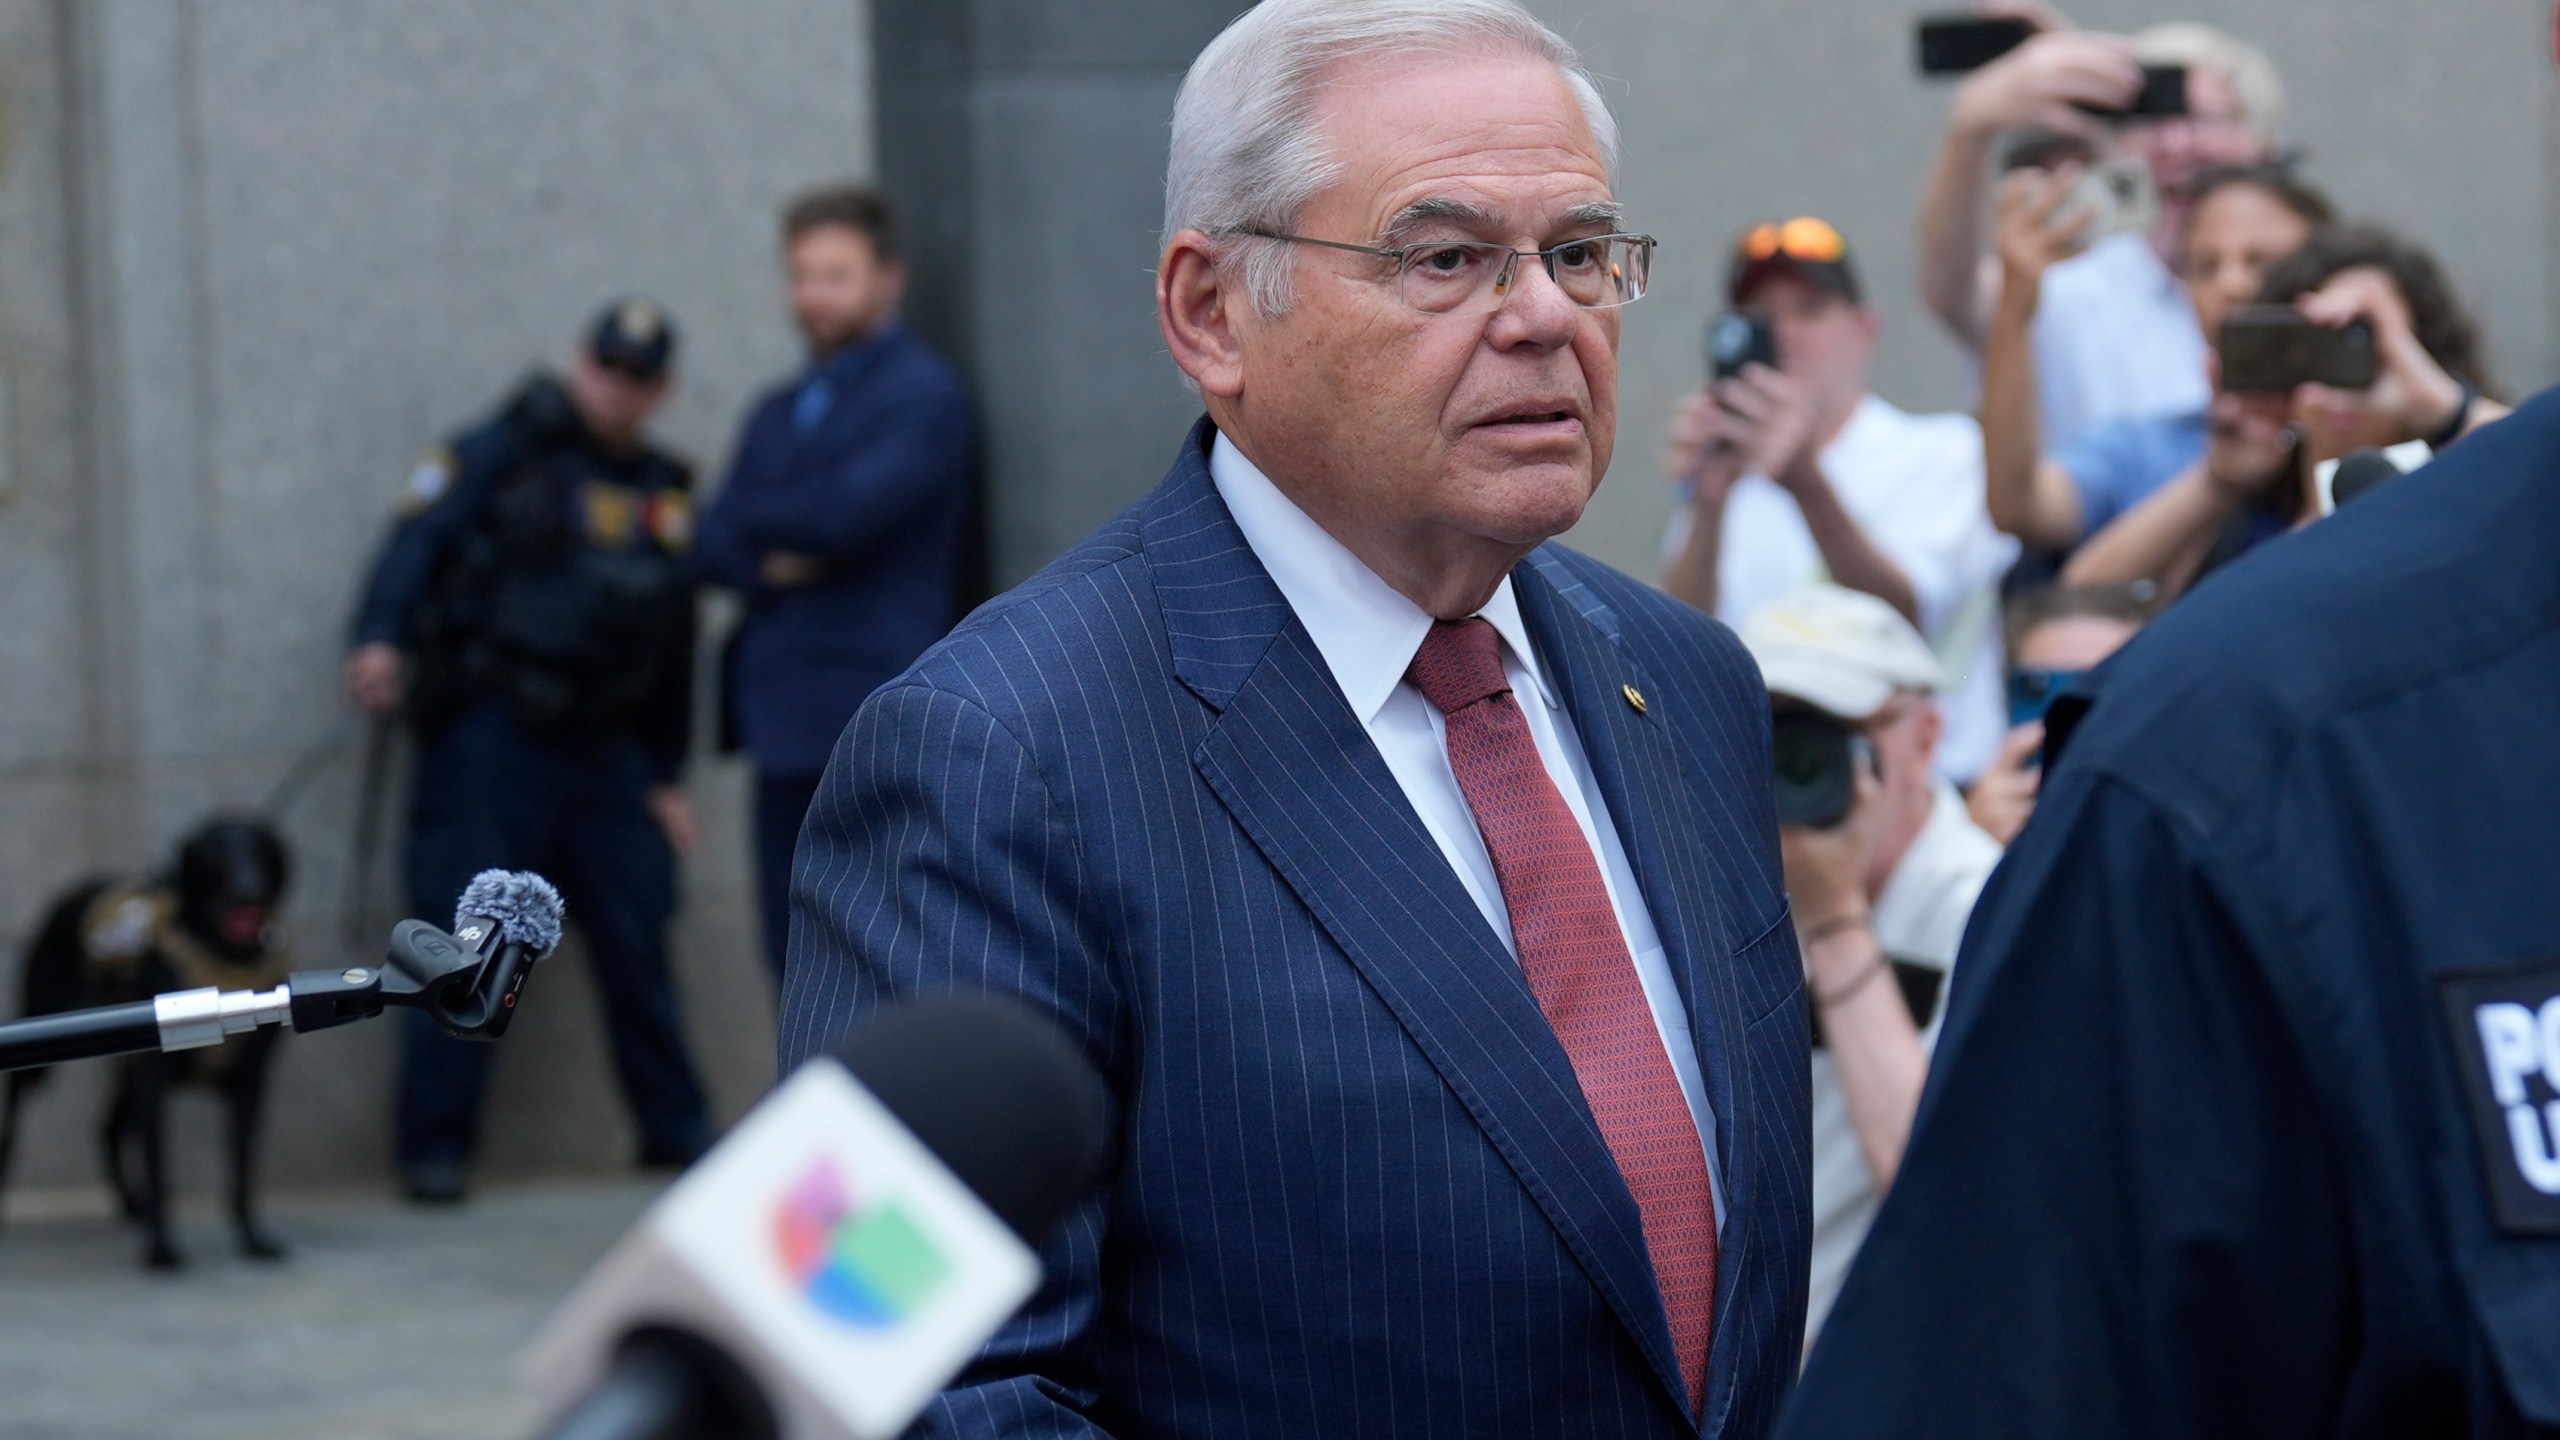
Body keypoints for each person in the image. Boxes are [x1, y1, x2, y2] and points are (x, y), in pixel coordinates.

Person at [780, 1, 1812, 1434]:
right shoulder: (986, 755)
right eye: (1444, 258)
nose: (1544, 317)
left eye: (1580, 253)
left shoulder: (1686, 679)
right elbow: (886, 1379)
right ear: (1211, 312)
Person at [1769, 14, 2560, 1426]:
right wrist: (2225, 469)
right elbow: (2068, 561)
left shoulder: (2459, 500)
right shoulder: (2220, 728)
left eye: (2277, 284)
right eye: (2212, 273)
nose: (2239, 300)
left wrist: (2429, 408)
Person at [344, 300, 713, 1204]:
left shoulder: (663, 491)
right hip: (496, 733)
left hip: (608, 747)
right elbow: (415, 542)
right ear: (581, 361)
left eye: (636, 376)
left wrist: (666, 774)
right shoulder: (499, 451)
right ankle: (435, 1147)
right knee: (465, 943)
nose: (616, 386)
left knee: (638, 937)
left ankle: (676, 1132)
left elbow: (675, 645)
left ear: (661, 390)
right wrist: (379, 638)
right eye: (605, 366)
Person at [695, 185, 979, 985]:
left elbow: (840, 518)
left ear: (888, 279)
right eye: (801, 275)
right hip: (778, 728)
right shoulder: (777, 409)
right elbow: (709, 542)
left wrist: (766, 521)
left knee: (871, 966)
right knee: (788, 963)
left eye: (835, 275)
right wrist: (772, 551)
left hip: (871, 723)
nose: (813, 296)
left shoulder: (923, 396)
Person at [1736, 586, 2003, 1345]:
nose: (1789, 765)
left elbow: (1942, 1188)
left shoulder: (1986, 906)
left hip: (1876, 1361)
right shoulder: (1718, 881)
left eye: (1826, 731)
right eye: (1764, 730)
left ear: (1924, 739)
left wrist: (1834, 916)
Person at [1661, 218, 2016, 781]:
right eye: (1761, 317)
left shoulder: (1946, 451)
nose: (1785, 334)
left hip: (1921, 793)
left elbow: (1907, 620)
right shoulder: (1729, 476)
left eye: (1810, 310)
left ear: (1865, 329)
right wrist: (1708, 502)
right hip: (1763, 789)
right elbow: (1678, 650)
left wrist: (1807, 484)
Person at [2063, 223, 2504, 604]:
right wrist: (2217, 482)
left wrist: (2442, 405)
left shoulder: (2469, 486)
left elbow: (2536, 473)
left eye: (2361, 344)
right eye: (2316, 346)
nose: (2338, 390)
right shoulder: (2249, 515)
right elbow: (2083, 605)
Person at [1917, 19, 2284, 446]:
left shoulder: (2300, 275)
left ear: (2261, 144)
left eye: (2199, 118)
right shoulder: (2068, 277)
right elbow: (1953, 293)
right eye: (2151, 117)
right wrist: (1969, 129)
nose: (2175, 143)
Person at [1983, 161, 2332, 555]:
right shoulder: (2149, 449)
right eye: (2205, 267)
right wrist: (2016, 303)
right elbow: (2019, 506)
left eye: (2261, 261)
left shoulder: (2378, 420)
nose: (2231, 285)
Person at [1963, 583, 2149, 845]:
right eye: (2040, 687)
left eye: (2105, 687)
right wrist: (1976, 842)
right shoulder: (1969, 825)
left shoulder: (2174, 815)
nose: (2073, 716)